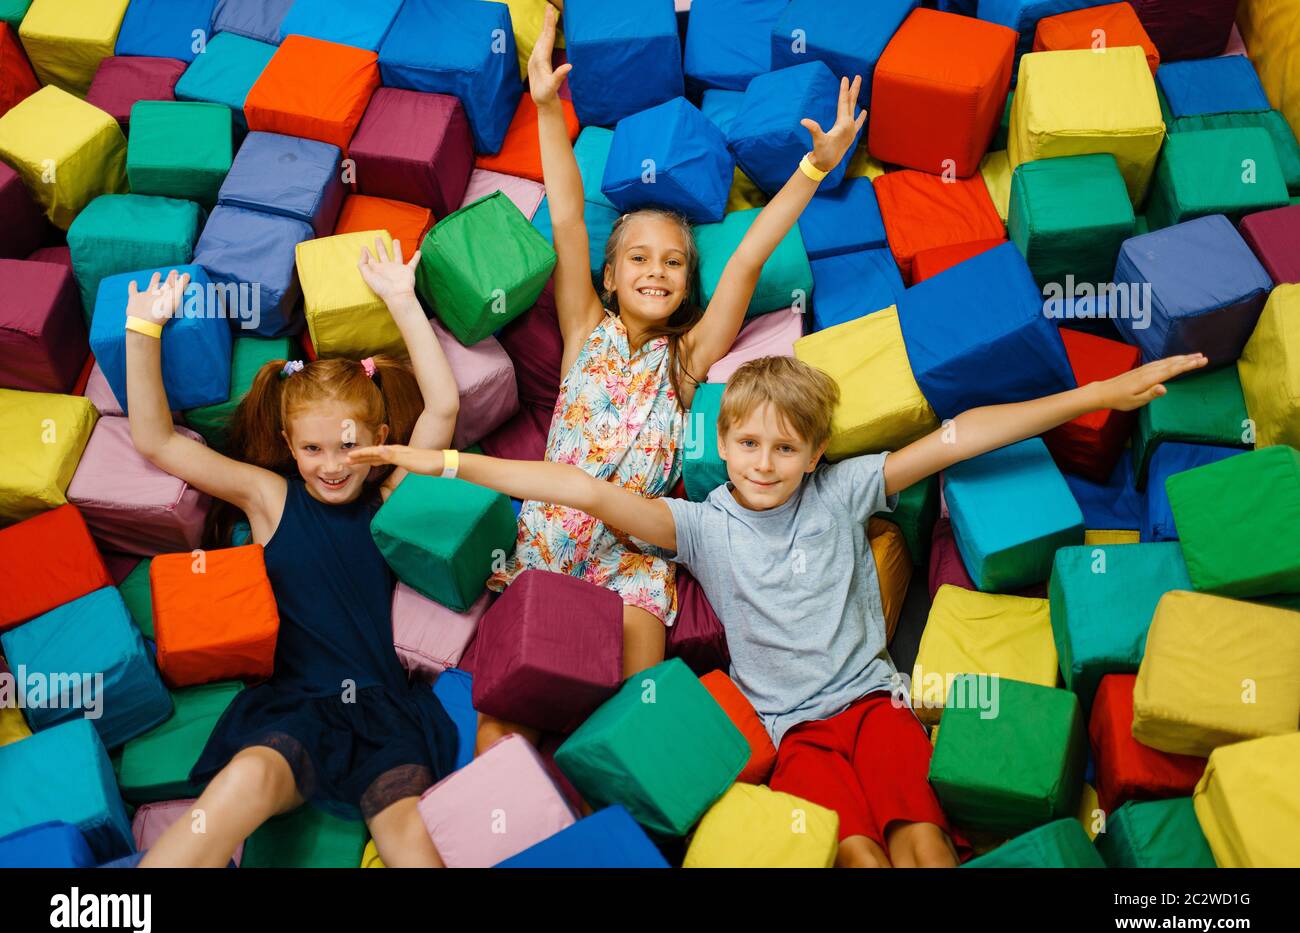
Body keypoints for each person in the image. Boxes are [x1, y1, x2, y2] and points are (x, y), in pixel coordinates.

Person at [348, 349, 1209, 867]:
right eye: (749, 443)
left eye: (785, 447)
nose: (764, 462)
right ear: (722, 444)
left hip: (877, 705)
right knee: (853, 853)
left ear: (815, 451)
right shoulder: (700, 523)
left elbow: (962, 434)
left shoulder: (846, 489)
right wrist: (447, 462)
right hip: (792, 733)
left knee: (921, 845)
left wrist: (1100, 394)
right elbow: (577, 487)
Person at [481, 5, 869, 753]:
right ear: (610, 276)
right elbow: (568, 216)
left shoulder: (685, 360)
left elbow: (749, 258)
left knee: (637, 726)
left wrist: (814, 168)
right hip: (551, 542)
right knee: (505, 719)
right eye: (638, 258)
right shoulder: (583, 329)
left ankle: (622, 798)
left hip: (632, 559)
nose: (655, 271)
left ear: (687, 283)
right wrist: (547, 108)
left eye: (673, 262)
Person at [127, 239, 461, 867]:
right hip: (297, 705)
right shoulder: (268, 498)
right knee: (241, 784)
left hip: (386, 711)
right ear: (288, 443)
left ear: (382, 438)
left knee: (408, 835)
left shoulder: (393, 496)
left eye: (349, 446)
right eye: (312, 450)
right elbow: (156, 440)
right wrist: (143, 330)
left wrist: (402, 300)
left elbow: (443, 405)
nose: (332, 466)